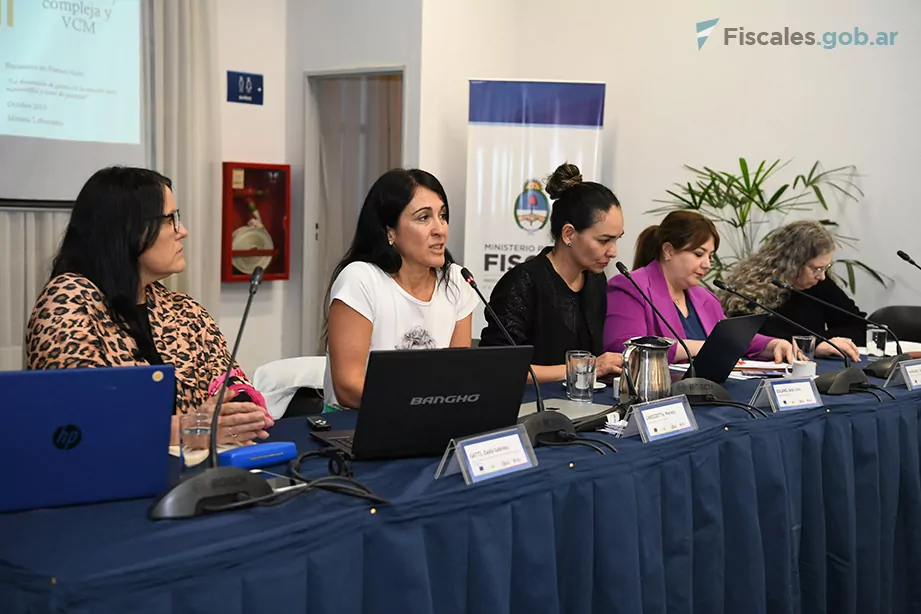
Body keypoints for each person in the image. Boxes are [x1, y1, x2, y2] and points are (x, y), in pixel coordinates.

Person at [25, 166, 273, 446]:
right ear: (127, 229)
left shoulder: (184, 310)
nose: (183, 231)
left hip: (196, 474)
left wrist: (240, 412)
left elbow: (231, 382)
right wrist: (189, 429)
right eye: (170, 220)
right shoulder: (69, 300)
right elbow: (78, 422)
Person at [323, 168, 479, 410]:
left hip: (430, 417)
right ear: (390, 231)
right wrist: (415, 406)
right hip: (355, 422)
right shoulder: (361, 279)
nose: (440, 229)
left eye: (443, 215)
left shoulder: (457, 280)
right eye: (424, 218)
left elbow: (455, 378)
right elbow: (348, 387)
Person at [479, 163, 624, 382]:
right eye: (604, 240)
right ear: (569, 234)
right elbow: (500, 366)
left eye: (616, 239)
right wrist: (588, 367)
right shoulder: (522, 282)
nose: (613, 252)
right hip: (530, 408)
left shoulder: (596, 279)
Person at [604, 210, 795, 363]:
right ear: (668, 251)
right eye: (698, 254)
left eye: (710, 256)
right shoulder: (630, 287)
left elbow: (730, 340)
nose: (707, 264)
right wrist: (701, 347)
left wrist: (773, 344)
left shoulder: (705, 298)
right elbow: (624, 346)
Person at [720, 220, 862, 361]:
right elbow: (755, 340)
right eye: (816, 269)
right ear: (792, 263)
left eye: (826, 267)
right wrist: (815, 344)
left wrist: (823, 341)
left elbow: (860, 326)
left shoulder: (819, 284)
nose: (822, 276)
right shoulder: (750, 290)